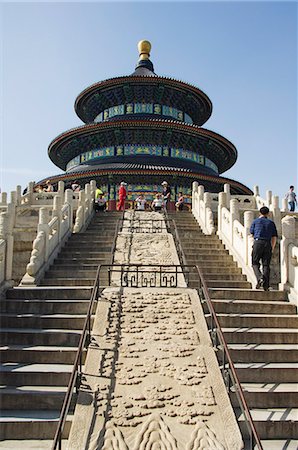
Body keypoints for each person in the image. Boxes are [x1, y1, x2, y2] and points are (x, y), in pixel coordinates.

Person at [250, 206, 278, 291]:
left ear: (260, 213)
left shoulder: (255, 221)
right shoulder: (271, 223)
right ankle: (266, 285)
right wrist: (272, 247)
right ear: (268, 214)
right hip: (267, 243)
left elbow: (252, 233)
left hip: (258, 242)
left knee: (255, 263)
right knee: (266, 265)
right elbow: (274, 237)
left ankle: (259, 278)